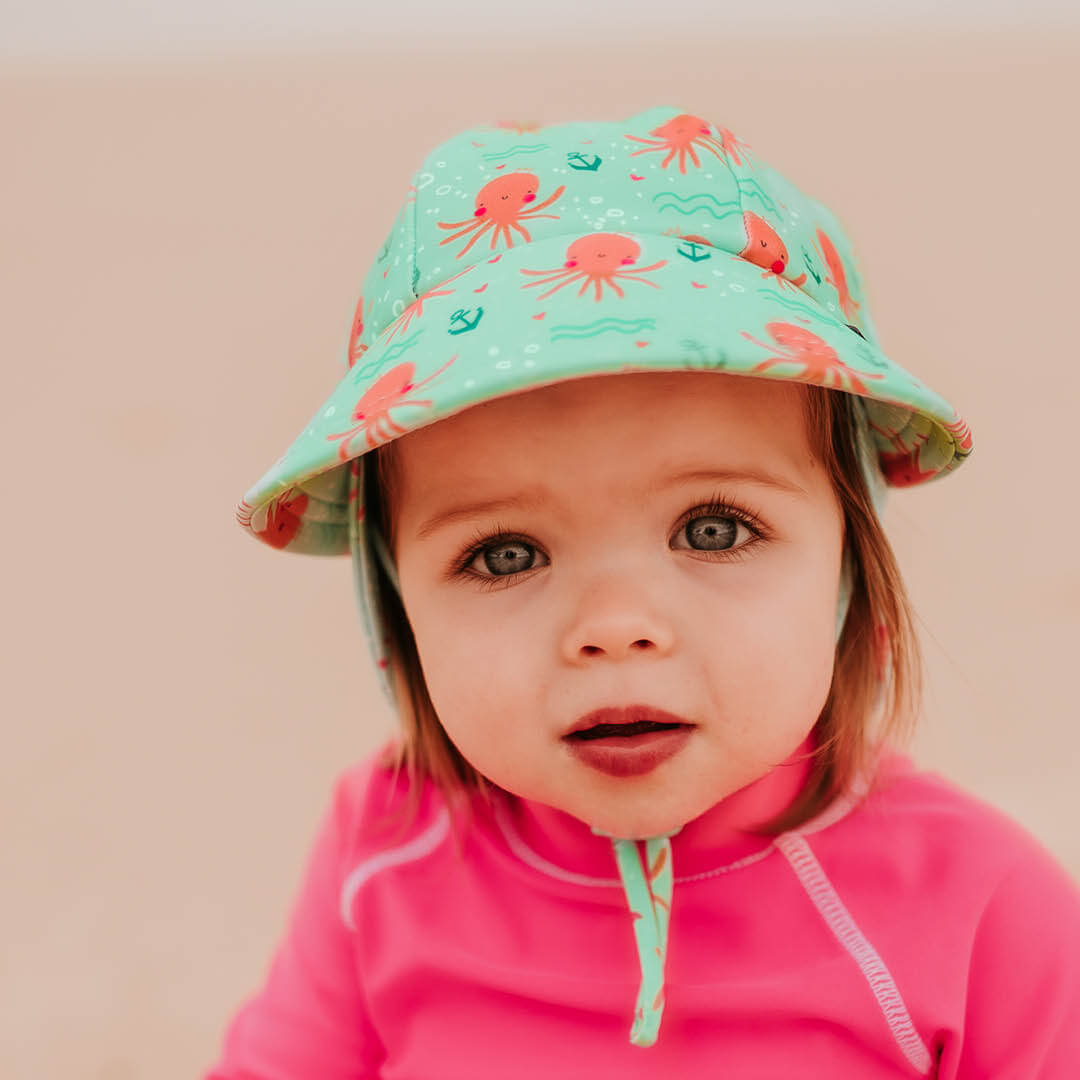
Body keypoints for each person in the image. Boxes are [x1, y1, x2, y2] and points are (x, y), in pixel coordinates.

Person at [209, 106, 1080, 1077]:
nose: (614, 628)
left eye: (714, 530)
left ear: (849, 560)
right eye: (504, 554)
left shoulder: (981, 913)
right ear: (393, 599)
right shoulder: (384, 853)